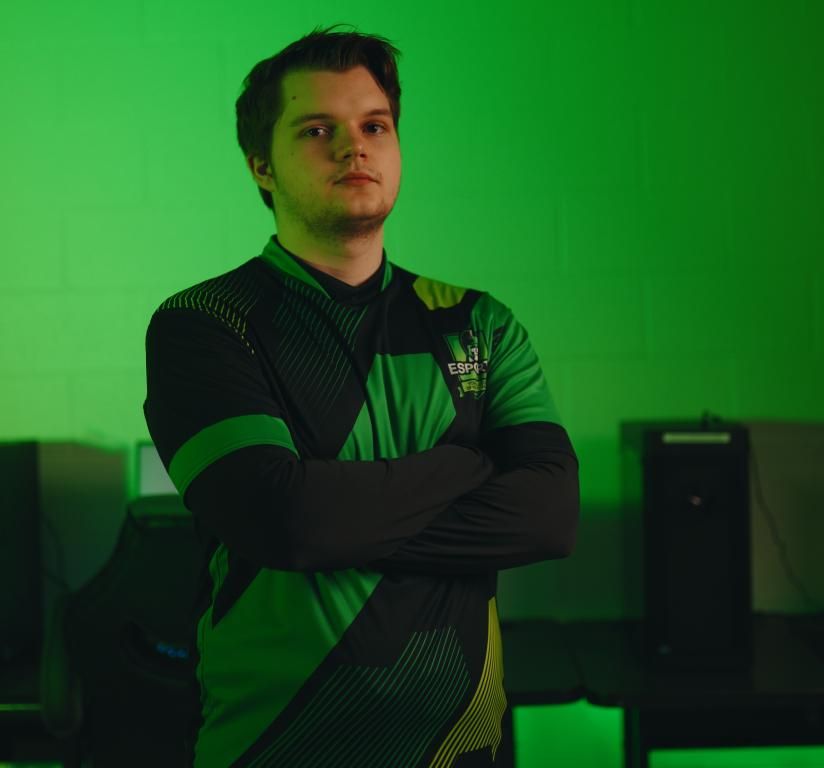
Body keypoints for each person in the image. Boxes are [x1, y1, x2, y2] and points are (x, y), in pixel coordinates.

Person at [143, 26, 579, 767]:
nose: (355, 148)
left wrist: (334, 520)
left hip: (462, 750)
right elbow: (283, 522)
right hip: (275, 747)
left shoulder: (478, 324)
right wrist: (466, 465)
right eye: (317, 130)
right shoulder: (204, 325)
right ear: (261, 165)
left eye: (374, 125)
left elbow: (549, 516)